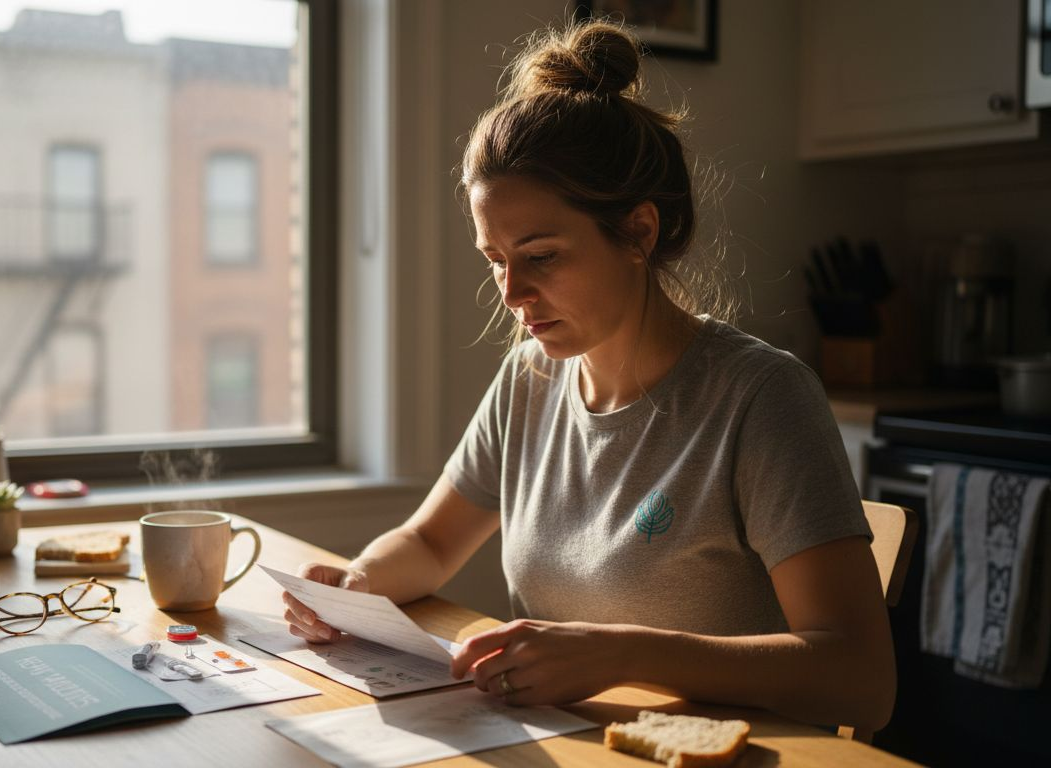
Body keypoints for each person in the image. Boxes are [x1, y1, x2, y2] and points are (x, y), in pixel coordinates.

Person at [281, 19, 895, 732]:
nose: (511, 293)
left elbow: (860, 680)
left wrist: (625, 655)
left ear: (639, 231)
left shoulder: (760, 397)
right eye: (494, 258)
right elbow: (429, 542)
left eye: (540, 256)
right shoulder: (530, 380)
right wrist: (357, 584)